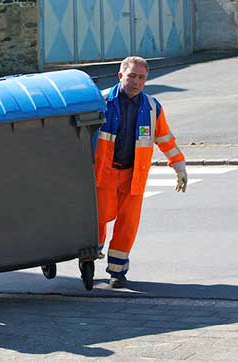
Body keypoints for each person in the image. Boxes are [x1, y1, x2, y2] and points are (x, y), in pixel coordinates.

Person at [94, 56, 188, 288]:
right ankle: (90, 255)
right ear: (120, 76)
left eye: (141, 77)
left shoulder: (152, 107)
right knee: (98, 219)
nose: (136, 81)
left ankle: (117, 272)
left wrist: (179, 165)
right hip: (103, 174)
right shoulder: (101, 101)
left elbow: (165, 138)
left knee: (128, 224)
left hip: (133, 175)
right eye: (132, 76)